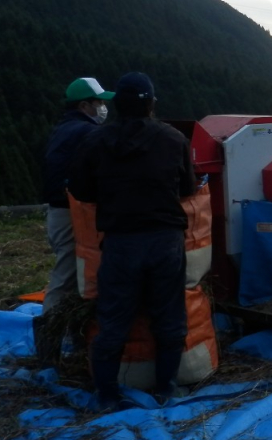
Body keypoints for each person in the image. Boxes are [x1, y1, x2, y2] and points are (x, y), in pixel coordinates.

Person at [68, 72, 197, 408]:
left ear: (116, 105)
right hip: (164, 241)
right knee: (169, 316)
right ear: (152, 103)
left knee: (113, 319)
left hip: (121, 243)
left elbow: (80, 191)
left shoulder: (95, 141)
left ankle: (107, 394)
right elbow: (188, 189)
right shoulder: (173, 139)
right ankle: (167, 387)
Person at [40, 77, 114, 317]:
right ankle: (49, 335)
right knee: (67, 275)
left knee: (75, 273)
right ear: (84, 106)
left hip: (60, 210)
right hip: (70, 213)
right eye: (98, 102)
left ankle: (67, 331)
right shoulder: (86, 132)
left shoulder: (65, 129)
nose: (103, 108)